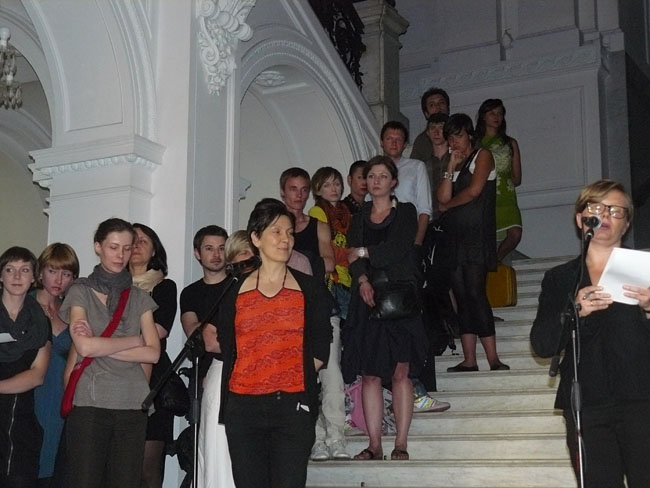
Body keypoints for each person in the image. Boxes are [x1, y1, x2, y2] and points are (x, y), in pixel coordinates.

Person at [531, 180, 650, 488]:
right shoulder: (560, 279)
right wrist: (575, 310)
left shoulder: (647, 271)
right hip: (587, 403)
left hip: (642, 399)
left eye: (615, 210)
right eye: (596, 208)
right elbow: (542, 344)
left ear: (627, 223)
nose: (605, 215)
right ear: (580, 219)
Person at [216, 198, 332, 488]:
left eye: (289, 233)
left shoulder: (310, 288)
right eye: (276, 231)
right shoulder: (234, 291)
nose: (285, 239)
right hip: (243, 407)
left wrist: (293, 375)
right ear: (255, 238)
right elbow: (228, 343)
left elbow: (322, 346)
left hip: (292, 407)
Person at [60, 218, 160, 488]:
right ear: (98, 247)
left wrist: (100, 345)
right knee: (85, 481)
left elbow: (153, 354)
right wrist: (134, 341)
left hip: (133, 403)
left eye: (127, 248)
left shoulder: (140, 297)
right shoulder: (80, 291)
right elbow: (84, 347)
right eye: (113, 247)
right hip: (90, 402)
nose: (120, 255)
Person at [344, 155, 429, 461]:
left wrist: (365, 251)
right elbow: (351, 257)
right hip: (367, 299)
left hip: (400, 301)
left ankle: (401, 443)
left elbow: (398, 249)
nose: (376, 181)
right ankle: (374, 444)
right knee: (369, 374)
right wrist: (362, 280)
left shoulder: (405, 211)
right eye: (371, 176)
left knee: (401, 373)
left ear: (393, 182)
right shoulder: (358, 217)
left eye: (382, 176)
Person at [437, 114, 509, 372]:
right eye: (450, 137)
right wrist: (450, 167)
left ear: (469, 134)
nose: (454, 141)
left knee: (476, 293)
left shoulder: (483, 155)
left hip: (476, 236)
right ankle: (469, 359)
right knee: (461, 295)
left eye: (458, 135)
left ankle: (493, 358)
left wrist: (448, 206)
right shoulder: (452, 162)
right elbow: (441, 198)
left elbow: (475, 190)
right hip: (455, 238)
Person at [198, 231, 252, 488]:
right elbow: (210, 339)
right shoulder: (227, 291)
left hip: (258, 380)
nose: (248, 260)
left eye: (251, 254)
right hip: (225, 375)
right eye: (242, 254)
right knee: (219, 455)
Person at [307, 167, 351, 460]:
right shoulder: (318, 213)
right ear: (318, 189)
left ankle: (335, 432)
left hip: (347, 282)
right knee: (326, 366)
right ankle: (321, 435)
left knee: (337, 362)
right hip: (331, 286)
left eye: (337, 183)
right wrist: (355, 253)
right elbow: (329, 256)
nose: (334, 188)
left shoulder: (346, 213)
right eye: (327, 184)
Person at [129, 223, 177, 488]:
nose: (136, 245)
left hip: (153, 383)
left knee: (147, 470)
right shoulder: (110, 286)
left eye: (143, 241)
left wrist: (108, 343)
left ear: (154, 251)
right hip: (113, 377)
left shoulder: (164, 287)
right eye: (132, 240)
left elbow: (157, 331)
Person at [0, 247, 51, 488]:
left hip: (21, 425)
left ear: (34, 277)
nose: (17, 276)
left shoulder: (41, 321)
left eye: (25, 270)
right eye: (10, 270)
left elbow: (37, 375)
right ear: (1, 276)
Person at [33, 243, 79, 487]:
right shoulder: (25, 304)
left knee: (55, 471)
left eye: (66, 273)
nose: (59, 280)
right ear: (40, 272)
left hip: (61, 398)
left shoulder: (73, 311)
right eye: (52, 271)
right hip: (30, 395)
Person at [179, 225, 229, 386]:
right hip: (202, 375)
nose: (216, 255)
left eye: (222, 248)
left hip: (237, 372)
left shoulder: (239, 286)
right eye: (209, 248)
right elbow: (199, 336)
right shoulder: (190, 293)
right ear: (197, 253)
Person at [475, 98, 522, 263]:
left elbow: (517, 178)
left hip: (507, 195)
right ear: (483, 116)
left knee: (515, 233)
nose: (497, 117)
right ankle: (490, 264)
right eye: (492, 113)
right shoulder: (475, 143)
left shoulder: (510, 143)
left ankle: (495, 261)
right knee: (486, 235)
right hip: (485, 194)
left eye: (500, 113)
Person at [409, 87, 450, 163]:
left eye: (441, 103)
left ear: (448, 108)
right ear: (426, 114)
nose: (438, 107)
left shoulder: (459, 133)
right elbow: (414, 166)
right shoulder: (422, 140)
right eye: (432, 105)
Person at [424, 113, 451, 220]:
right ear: (428, 133)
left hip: (455, 216)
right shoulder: (424, 165)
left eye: (441, 128)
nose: (436, 132)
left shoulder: (457, 159)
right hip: (433, 218)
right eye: (432, 128)